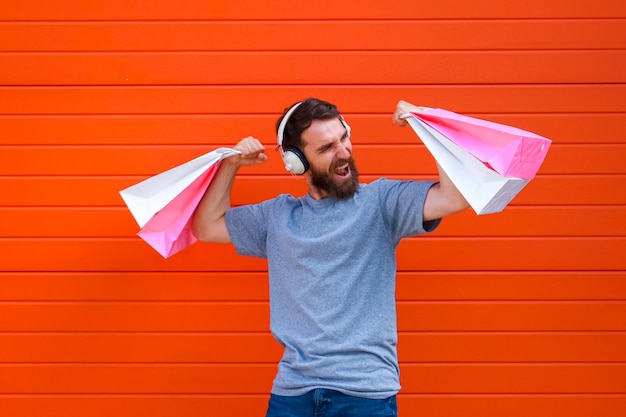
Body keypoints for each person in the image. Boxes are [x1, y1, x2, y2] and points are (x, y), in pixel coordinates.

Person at [192, 98, 469, 417]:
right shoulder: (278, 218)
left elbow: (455, 196)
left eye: (344, 138)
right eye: (326, 148)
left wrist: (427, 125)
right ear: (297, 162)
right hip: (292, 396)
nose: (343, 152)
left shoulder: (381, 203)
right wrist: (231, 163)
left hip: (364, 396)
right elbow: (206, 226)